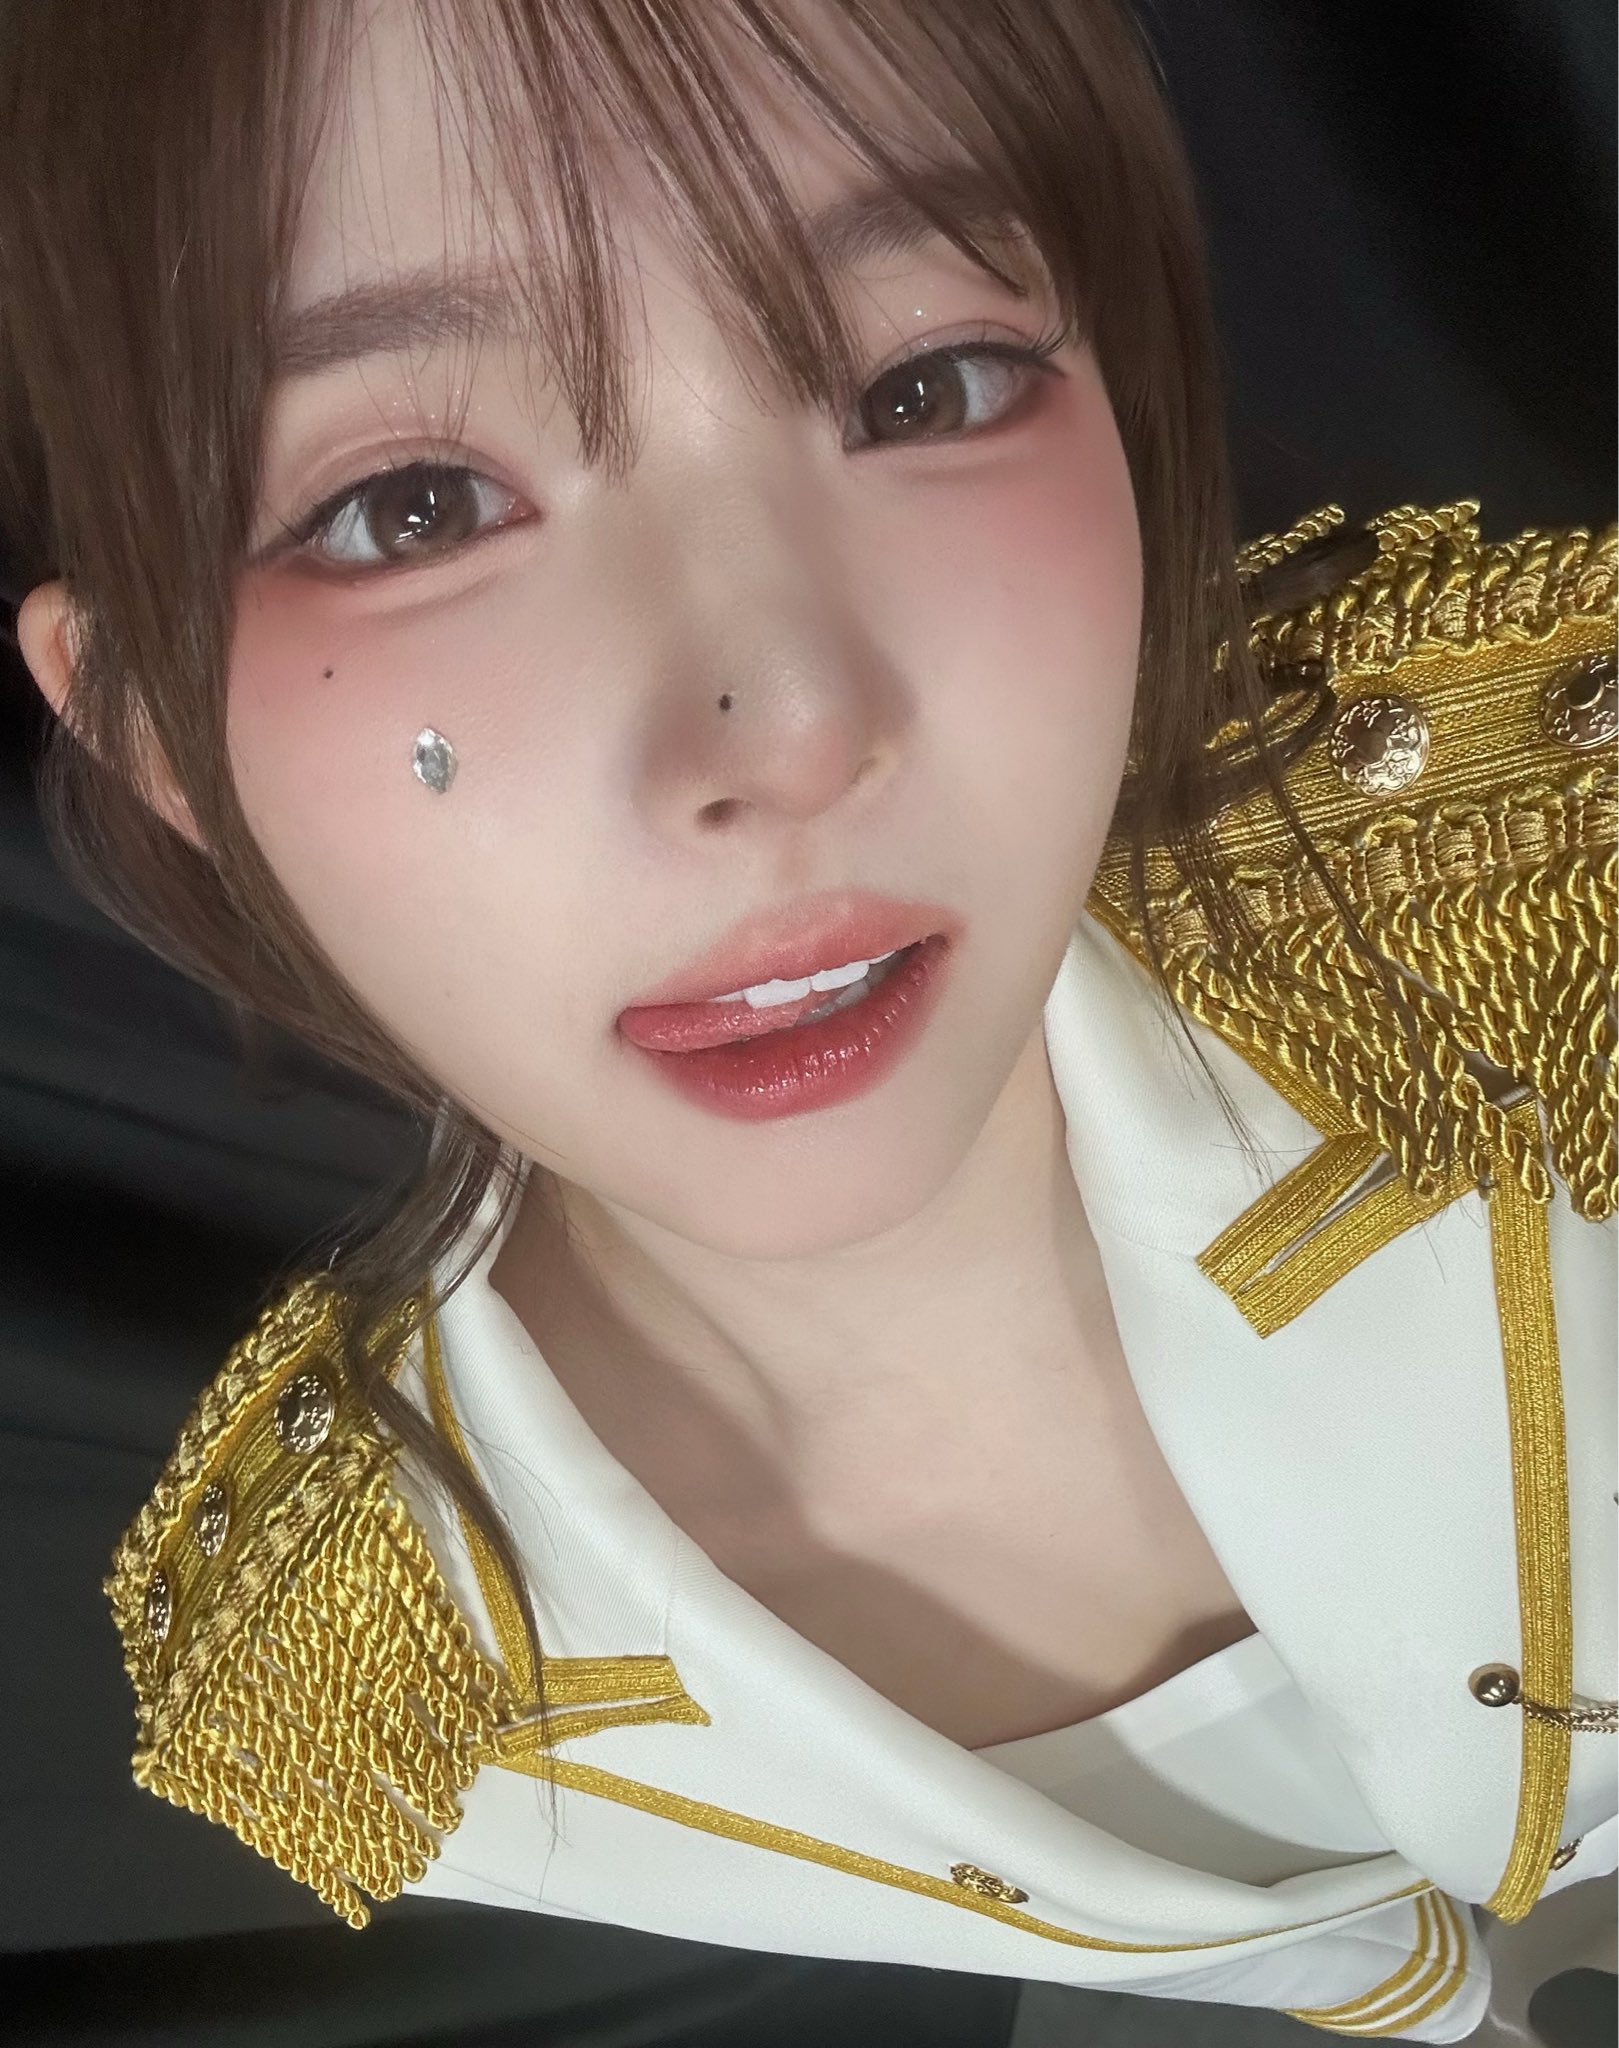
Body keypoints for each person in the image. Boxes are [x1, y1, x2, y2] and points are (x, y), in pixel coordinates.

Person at [1, 3, 1612, 2041]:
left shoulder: (1561, 879)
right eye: (413, 508)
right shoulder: (350, 1676)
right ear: (152, 728)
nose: (782, 737)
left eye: (928, 385)